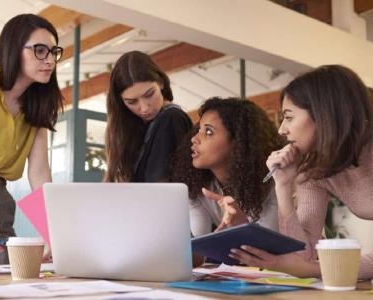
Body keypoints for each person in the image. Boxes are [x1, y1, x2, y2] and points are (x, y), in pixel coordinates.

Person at [229, 65, 373, 280]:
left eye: (288, 117)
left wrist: (313, 269)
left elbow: (303, 266)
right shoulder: (316, 171)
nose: (281, 129)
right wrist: (284, 185)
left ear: (324, 113)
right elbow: (301, 254)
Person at [0, 14, 64, 264]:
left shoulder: (38, 110)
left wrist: (52, 234)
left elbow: (39, 176)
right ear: (13, 48)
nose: (49, 60)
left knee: (0, 285)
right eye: (39, 50)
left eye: (53, 52)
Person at [170, 97, 283, 238]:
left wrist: (240, 223)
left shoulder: (272, 182)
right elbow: (200, 246)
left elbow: (269, 246)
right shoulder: (197, 186)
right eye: (199, 130)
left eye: (208, 132)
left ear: (239, 142)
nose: (194, 138)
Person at [105, 51, 192, 182]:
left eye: (149, 94)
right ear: (121, 102)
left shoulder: (171, 118)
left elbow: (161, 189)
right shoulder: (138, 128)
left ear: (161, 83)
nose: (144, 108)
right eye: (132, 102)